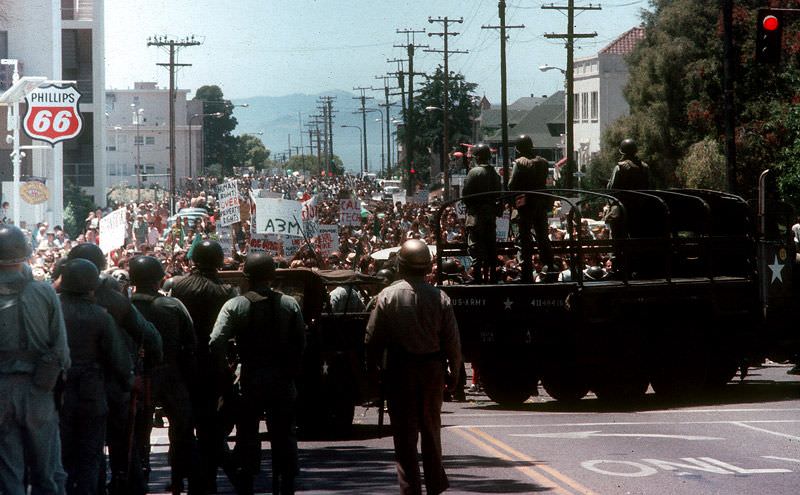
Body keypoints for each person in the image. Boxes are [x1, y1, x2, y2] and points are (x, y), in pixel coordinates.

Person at [365, 239, 462, 495]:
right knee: (431, 431)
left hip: (400, 371)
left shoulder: (387, 296)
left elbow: (372, 339)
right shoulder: (440, 296)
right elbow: (452, 342)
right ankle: (435, 484)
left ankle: (410, 489)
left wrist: (373, 371)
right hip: (431, 371)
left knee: (405, 437)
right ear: (427, 266)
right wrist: (455, 373)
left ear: (400, 264)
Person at [68, 242, 163, 494]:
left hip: (65, 390)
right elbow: (150, 336)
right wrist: (141, 372)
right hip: (113, 385)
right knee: (120, 446)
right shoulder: (113, 299)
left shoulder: (49, 300)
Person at [209, 253, 306, 495]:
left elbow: (215, 342)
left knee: (247, 431)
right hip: (282, 377)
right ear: (272, 276)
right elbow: (301, 342)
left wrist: (225, 371)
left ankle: (247, 476)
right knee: (284, 433)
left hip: (251, 376)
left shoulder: (235, 305)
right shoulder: (290, 304)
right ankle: (286, 481)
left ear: (247, 277)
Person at [0, 224, 71, 494]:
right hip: (39, 388)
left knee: (9, 474)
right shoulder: (44, 292)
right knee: (49, 473)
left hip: (1, 390)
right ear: (24, 255)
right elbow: (62, 352)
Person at [58, 258, 133, 495]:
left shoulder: (52, 309)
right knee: (90, 456)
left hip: (56, 391)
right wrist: (128, 383)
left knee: (61, 456)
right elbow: (118, 358)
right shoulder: (101, 316)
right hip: (92, 391)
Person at [170, 239, 236, 491]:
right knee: (210, 425)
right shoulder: (227, 290)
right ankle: (209, 478)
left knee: (181, 425)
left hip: (184, 365)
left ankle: (179, 479)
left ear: (193, 259)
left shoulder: (178, 286)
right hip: (213, 365)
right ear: (219, 261)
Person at [129, 256, 199, 494]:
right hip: (171, 373)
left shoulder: (125, 307)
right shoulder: (174, 305)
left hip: (137, 376)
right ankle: (179, 478)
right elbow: (191, 344)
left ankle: (139, 477)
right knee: (181, 429)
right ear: (160, 279)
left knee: (137, 431)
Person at [508, 135, 555, 282]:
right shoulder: (543, 162)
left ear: (518, 149)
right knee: (543, 237)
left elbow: (511, 185)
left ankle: (526, 273)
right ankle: (550, 269)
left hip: (525, 206)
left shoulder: (519, 163)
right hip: (541, 204)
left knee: (524, 239)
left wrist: (512, 200)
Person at [461, 143, 502, 283]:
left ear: (477, 157)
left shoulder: (474, 172)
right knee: (490, 245)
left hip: (476, 215)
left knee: (475, 245)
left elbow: (465, 195)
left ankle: (477, 276)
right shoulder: (494, 174)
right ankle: (492, 276)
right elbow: (499, 195)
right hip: (490, 215)